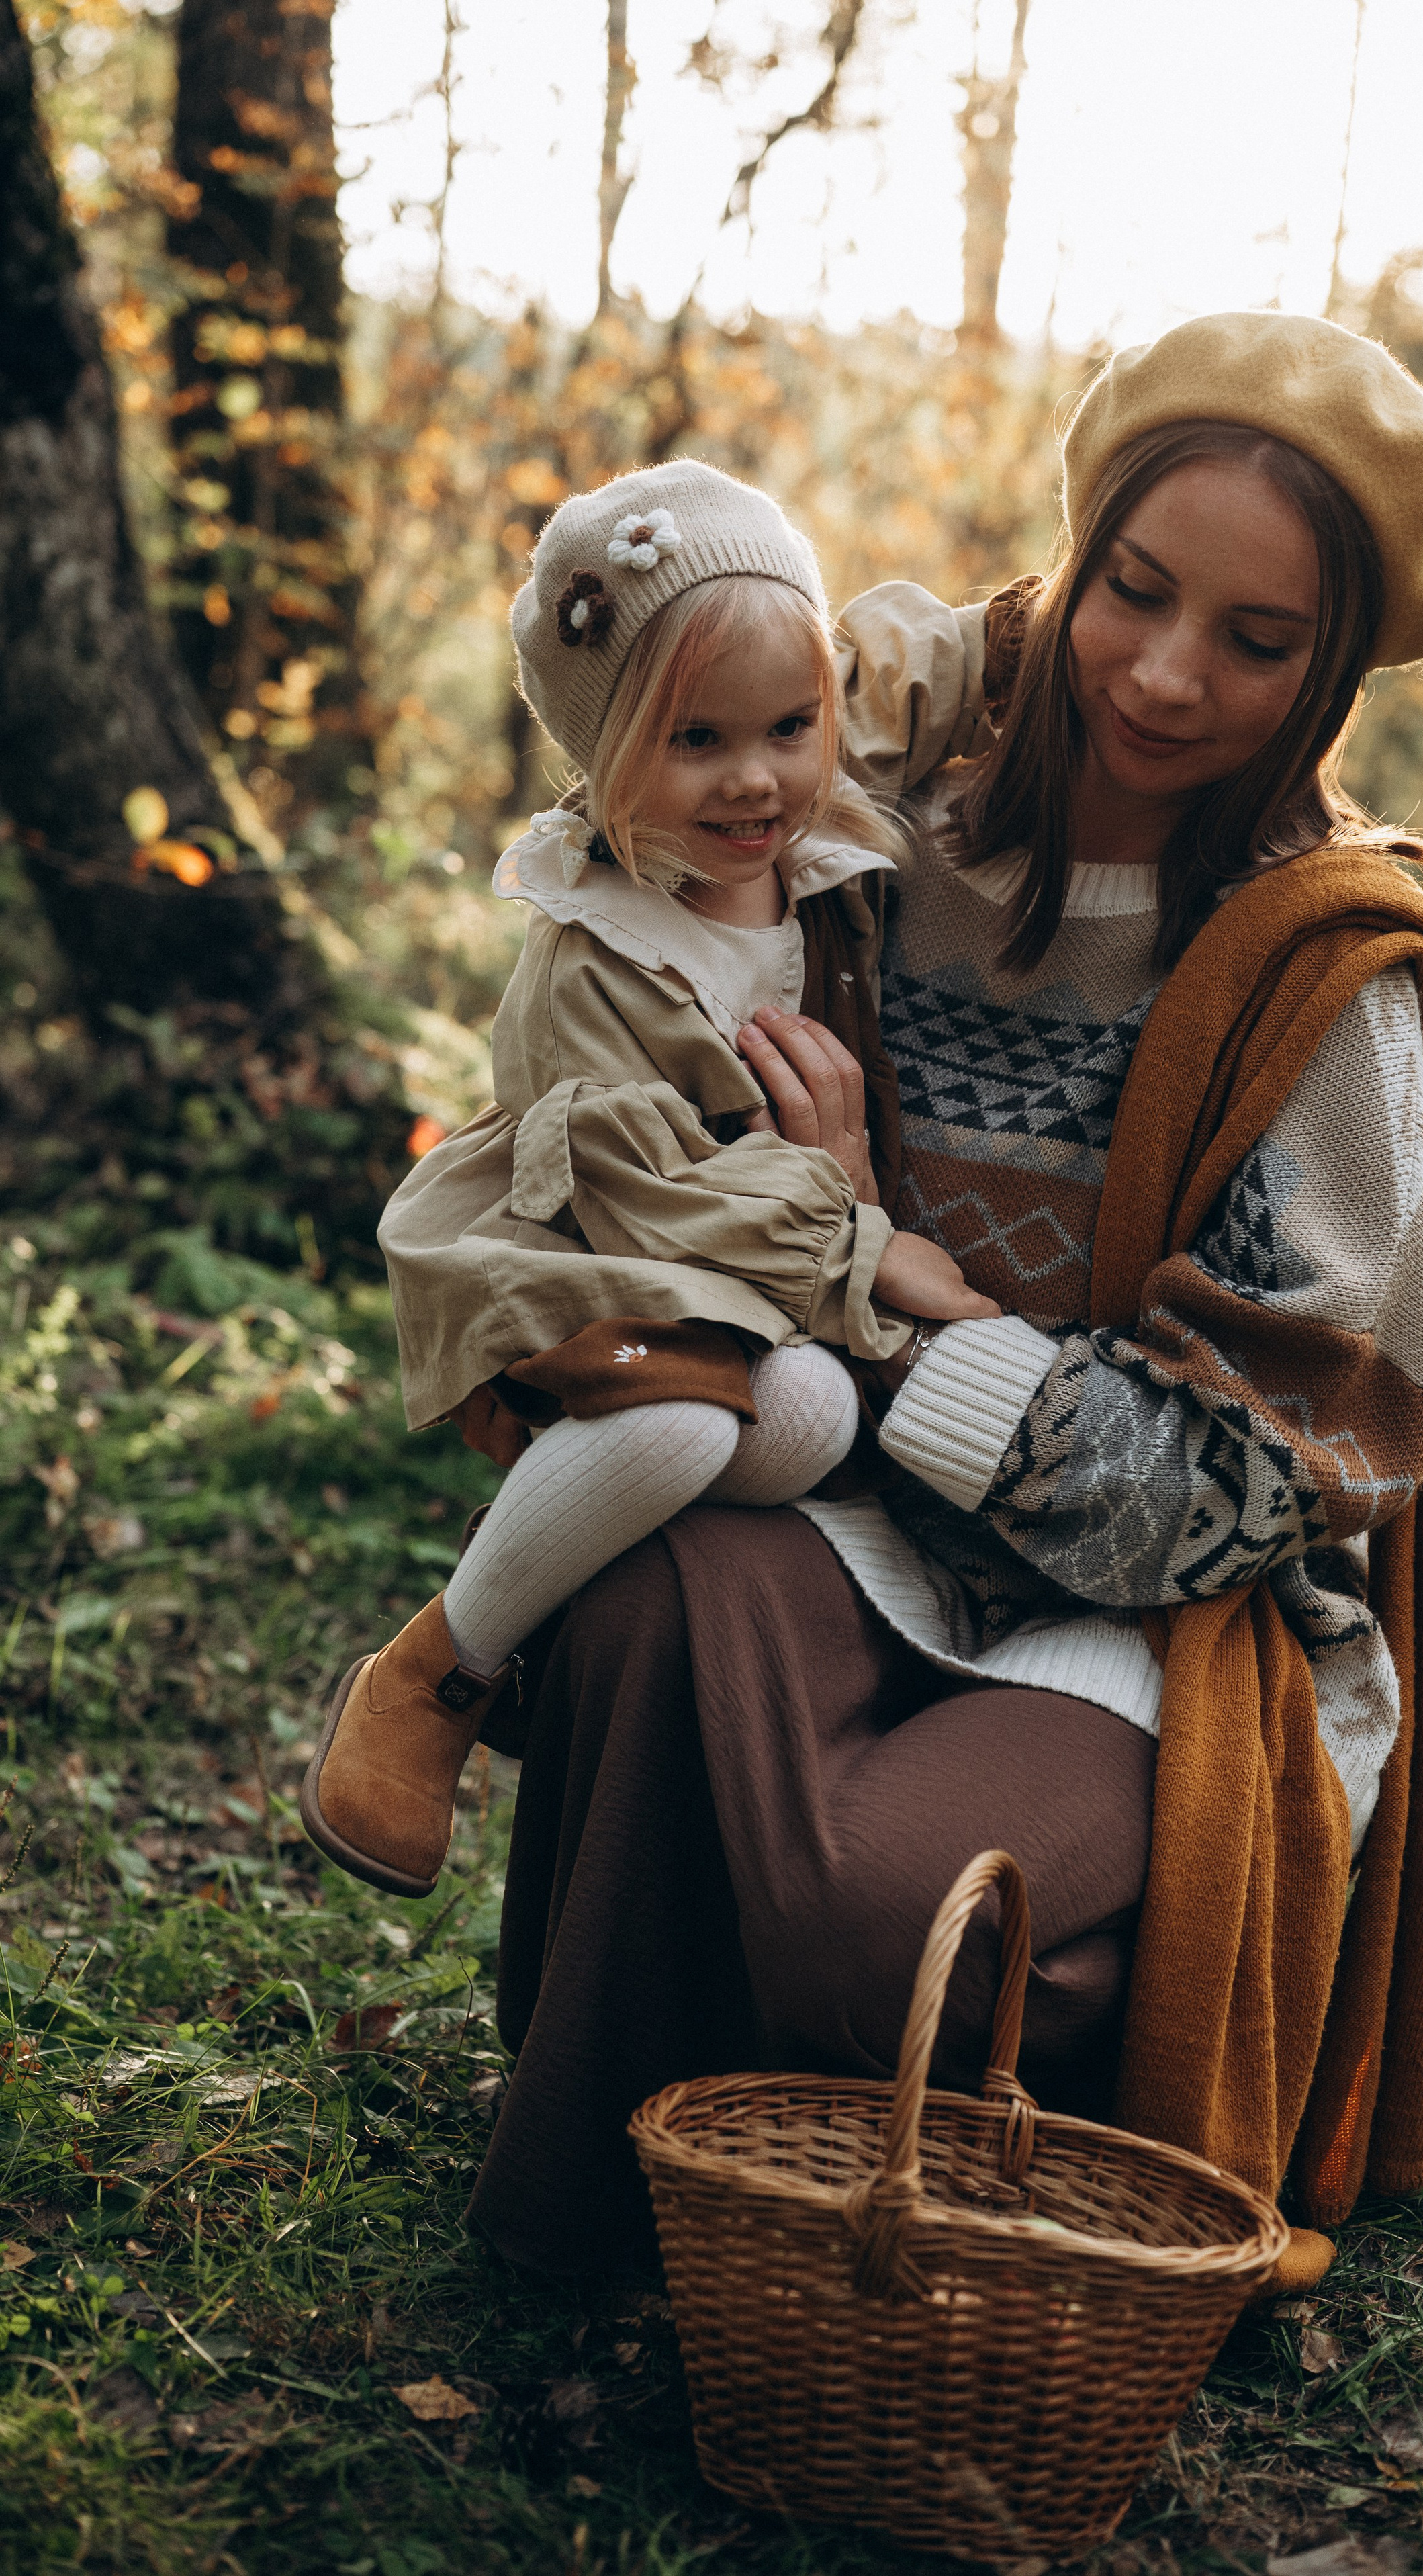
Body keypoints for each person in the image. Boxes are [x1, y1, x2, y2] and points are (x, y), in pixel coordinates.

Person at [464, 313, 1423, 2295]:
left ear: (1333, 665)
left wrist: (880, 1290)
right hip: (845, 1508)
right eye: (1135, 588)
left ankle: (887, 2112)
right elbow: (629, 999)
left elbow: (1244, 1481)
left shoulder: (1321, 973)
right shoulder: (858, 823)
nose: (1169, 673)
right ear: (1078, 549)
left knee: (872, 1909)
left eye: (1259, 640)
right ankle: (626, 2224)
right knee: (643, 1599)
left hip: (1151, 1622)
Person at [298, 461, 996, 1902]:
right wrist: (860, 1243)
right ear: (607, 742)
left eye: (788, 729)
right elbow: (652, 1192)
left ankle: (585, 1579)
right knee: (688, 1423)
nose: (755, 777)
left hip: (751, 1275)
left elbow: (917, 667)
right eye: (693, 741)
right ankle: (441, 1663)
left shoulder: (796, 769)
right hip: (605, 1248)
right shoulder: (591, 954)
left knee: (800, 1414)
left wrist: (1064, 622)